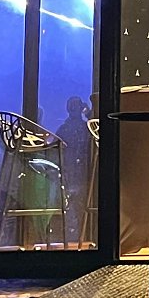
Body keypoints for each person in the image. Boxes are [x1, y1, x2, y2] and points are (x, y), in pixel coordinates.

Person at [55, 96, 90, 242]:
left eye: (77, 106)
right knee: (71, 210)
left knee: (81, 209)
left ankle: (82, 238)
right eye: (73, 106)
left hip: (83, 175)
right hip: (70, 175)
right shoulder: (64, 130)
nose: (75, 109)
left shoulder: (86, 128)